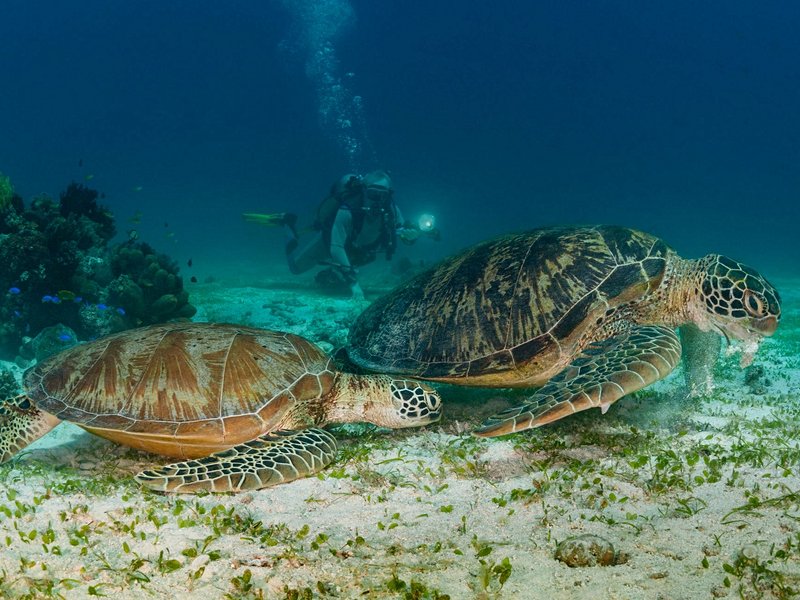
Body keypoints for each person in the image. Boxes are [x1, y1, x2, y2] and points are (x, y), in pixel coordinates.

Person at [245, 170, 439, 299]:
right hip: (329, 243)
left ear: (389, 195)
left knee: (342, 274)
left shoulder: (391, 211)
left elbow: (400, 232)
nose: (377, 201)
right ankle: (287, 224)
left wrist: (411, 237)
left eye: (383, 196)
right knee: (295, 269)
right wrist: (354, 284)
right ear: (364, 192)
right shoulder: (347, 210)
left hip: (359, 252)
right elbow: (336, 246)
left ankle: (337, 273)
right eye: (372, 194)